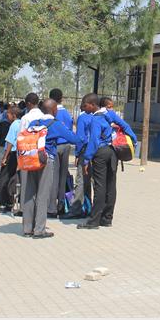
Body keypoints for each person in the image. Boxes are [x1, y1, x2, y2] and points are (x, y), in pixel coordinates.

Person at [19, 98, 81, 238]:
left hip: (31, 160)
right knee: (43, 194)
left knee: (29, 193)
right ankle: (39, 230)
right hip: (46, 161)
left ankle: (27, 228)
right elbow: (74, 139)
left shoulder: (35, 123)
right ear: (55, 110)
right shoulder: (55, 124)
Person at [77, 93, 118, 230]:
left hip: (100, 153)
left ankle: (94, 221)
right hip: (112, 151)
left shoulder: (96, 119)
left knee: (100, 186)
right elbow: (123, 125)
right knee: (111, 185)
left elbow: (94, 141)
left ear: (93, 105)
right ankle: (107, 218)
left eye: (85, 105)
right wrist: (133, 139)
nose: (83, 108)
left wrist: (87, 158)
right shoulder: (108, 116)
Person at [63, 100, 93, 219]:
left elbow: (80, 138)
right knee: (90, 181)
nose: (80, 107)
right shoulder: (97, 117)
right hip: (96, 151)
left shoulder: (83, 118)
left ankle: (76, 209)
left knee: (80, 180)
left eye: (82, 104)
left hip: (84, 151)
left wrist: (77, 154)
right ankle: (89, 206)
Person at [48, 88, 75, 216]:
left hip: (54, 146)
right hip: (66, 145)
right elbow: (69, 128)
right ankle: (62, 205)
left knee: (54, 176)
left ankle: (52, 207)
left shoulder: (51, 112)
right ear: (61, 98)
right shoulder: (66, 113)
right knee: (63, 176)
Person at [0, 105, 21, 213]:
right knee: (13, 178)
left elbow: (10, 142)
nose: (7, 116)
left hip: (11, 154)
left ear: (13, 115)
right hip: (19, 154)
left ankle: (3, 203)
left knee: (3, 179)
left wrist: (4, 157)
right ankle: (11, 201)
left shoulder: (14, 125)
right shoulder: (22, 123)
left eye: (8, 114)